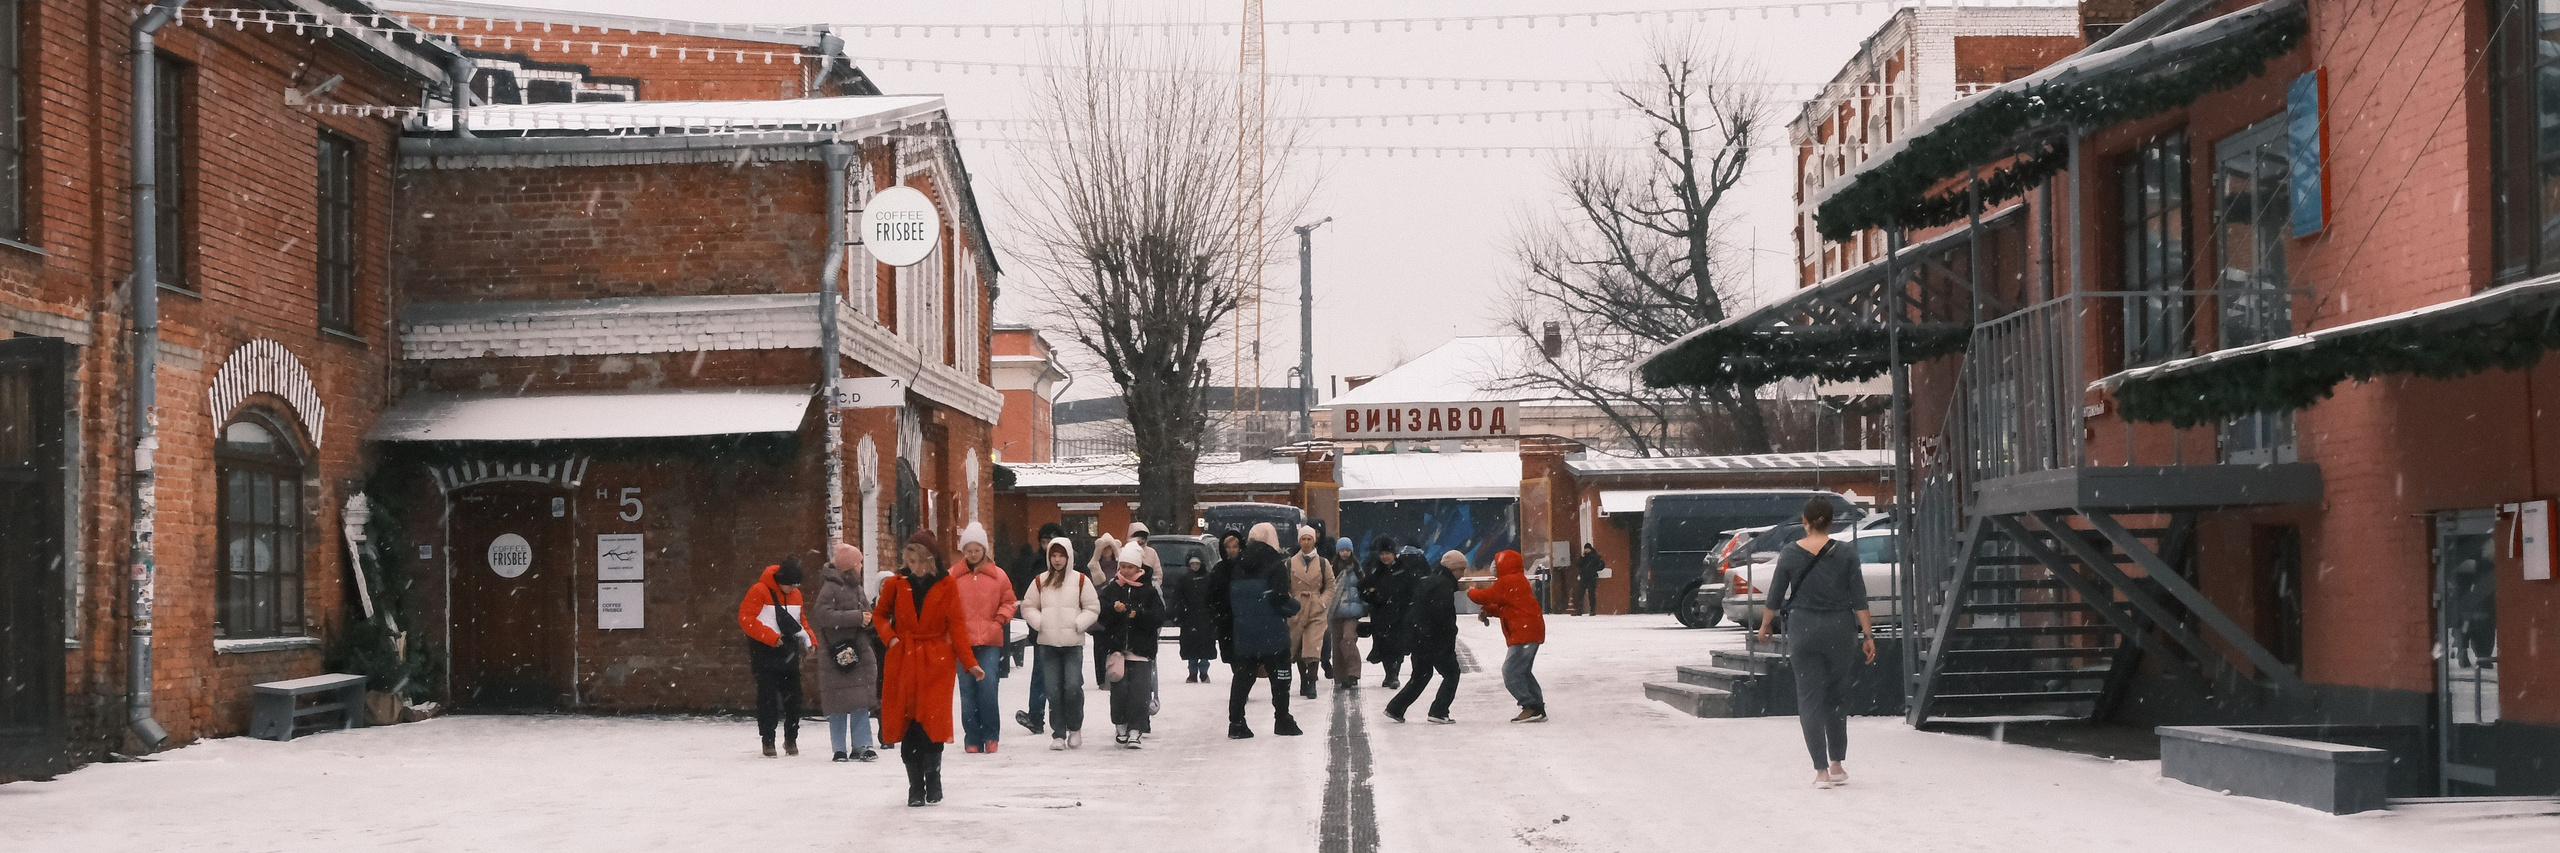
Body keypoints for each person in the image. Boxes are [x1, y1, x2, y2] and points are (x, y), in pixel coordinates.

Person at [1756, 497, 1877, 790]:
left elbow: (1774, 595)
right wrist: (1868, 635)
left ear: (1806, 522)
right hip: (1839, 629)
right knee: (1836, 698)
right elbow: (1859, 598)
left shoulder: (1789, 553)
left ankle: (1821, 771)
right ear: (1831, 521)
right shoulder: (1846, 553)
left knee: (1809, 700)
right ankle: (1837, 764)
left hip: (1803, 629)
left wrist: (1764, 624)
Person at [875, 531, 981, 806]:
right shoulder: (895, 584)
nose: (917, 568)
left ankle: (933, 779)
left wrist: (970, 663)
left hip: (936, 662)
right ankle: (915, 787)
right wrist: (891, 638)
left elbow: (956, 626)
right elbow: (879, 615)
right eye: (912, 561)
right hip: (904, 659)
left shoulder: (946, 585)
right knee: (908, 722)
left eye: (922, 562)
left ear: (933, 560)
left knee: (931, 723)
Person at [1211, 523, 1302, 738]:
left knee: (1243, 678)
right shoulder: (1275, 564)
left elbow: (1224, 598)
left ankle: (1236, 722)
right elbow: (1279, 598)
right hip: (1273, 633)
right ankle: (1282, 719)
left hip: (1244, 632)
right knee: (1280, 677)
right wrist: (1294, 607)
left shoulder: (1237, 565)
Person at [1016, 537, 1099, 750]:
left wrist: (1079, 623)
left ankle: (1075, 727)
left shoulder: (1081, 580)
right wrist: (1039, 622)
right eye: (1053, 555)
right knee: (1053, 690)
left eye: (1061, 555)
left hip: (1072, 645)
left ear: (1069, 556)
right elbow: (1028, 606)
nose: (1057, 559)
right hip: (1048, 645)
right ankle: (1058, 733)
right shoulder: (1040, 581)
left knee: (1072, 687)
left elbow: (1092, 607)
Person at [808, 543, 882, 761]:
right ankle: (839, 748)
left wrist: (867, 620)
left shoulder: (857, 588)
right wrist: (857, 617)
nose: (861, 566)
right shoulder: (830, 588)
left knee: (860, 701)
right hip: (837, 653)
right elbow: (823, 615)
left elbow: (866, 613)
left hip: (857, 652)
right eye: (859, 563)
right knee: (838, 703)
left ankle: (862, 744)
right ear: (850, 567)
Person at [948, 522, 1017, 754]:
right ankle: (972, 737)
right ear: (963, 551)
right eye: (968, 550)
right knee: (967, 691)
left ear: (984, 550)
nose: (973, 554)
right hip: (962, 641)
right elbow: (944, 606)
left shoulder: (998, 576)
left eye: (977, 550)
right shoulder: (952, 577)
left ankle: (991, 734)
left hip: (990, 640)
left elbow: (1009, 601)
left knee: (988, 687)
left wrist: (999, 621)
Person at [738, 557, 816, 757]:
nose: (792, 589)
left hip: (788, 650)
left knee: (794, 698)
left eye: (795, 585)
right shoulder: (759, 591)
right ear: (781, 580)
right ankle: (768, 740)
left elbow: (800, 621)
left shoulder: (796, 594)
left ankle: (791, 739)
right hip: (764, 652)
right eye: (789, 585)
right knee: (767, 699)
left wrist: (810, 640)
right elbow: (746, 619)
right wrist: (771, 638)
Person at [1097, 544, 1166, 747]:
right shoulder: (1112, 589)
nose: (1125, 571)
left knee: (1139, 694)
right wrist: (1113, 610)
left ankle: (1136, 729)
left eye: (1130, 567)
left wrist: (1139, 614)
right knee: (1118, 692)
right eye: (1123, 566)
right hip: (1117, 651)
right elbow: (1101, 615)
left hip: (1141, 651)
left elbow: (1159, 617)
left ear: (1139, 568)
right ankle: (1120, 724)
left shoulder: (1149, 591)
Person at [1385, 550, 1464, 724]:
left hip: (1419, 638)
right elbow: (1442, 616)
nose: (1463, 574)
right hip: (1435, 640)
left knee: (1421, 675)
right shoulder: (1444, 585)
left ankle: (1395, 708)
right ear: (1454, 569)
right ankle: (1439, 711)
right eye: (1461, 569)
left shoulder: (1429, 580)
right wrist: (1451, 633)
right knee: (1452, 673)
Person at [1468, 550, 1547, 723]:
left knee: (1510, 672)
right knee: (1523, 672)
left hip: (1524, 634)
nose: (1493, 568)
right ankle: (1537, 706)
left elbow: (1484, 596)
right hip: (1530, 631)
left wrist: (1471, 591)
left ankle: (1530, 706)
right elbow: (1507, 607)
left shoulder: (1508, 581)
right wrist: (1488, 610)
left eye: (1496, 564)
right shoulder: (1517, 580)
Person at [1012, 523, 1066, 737]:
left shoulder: (1072, 566)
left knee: (1065, 677)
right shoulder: (1035, 566)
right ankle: (1036, 716)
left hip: (1065, 628)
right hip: (1042, 628)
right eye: (1044, 542)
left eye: (1051, 542)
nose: (1047, 548)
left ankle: (1064, 717)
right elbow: (1029, 600)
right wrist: (1035, 623)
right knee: (1040, 674)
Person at [1361, 538, 1423, 689]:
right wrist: (1371, 595)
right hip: (1380, 614)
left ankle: (1394, 674)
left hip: (1400, 614)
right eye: (1382, 553)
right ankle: (1389, 674)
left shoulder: (1403, 568)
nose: (1385, 557)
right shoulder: (1376, 570)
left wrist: (1410, 607)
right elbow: (1363, 589)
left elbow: (1413, 589)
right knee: (1383, 646)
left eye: (1388, 553)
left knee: (1398, 646)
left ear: (1394, 553)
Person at [1284, 527, 1336, 699]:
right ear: (1299, 541)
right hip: (1297, 609)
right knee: (1298, 647)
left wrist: (1322, 602)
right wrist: (1291, 601)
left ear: (1314, 541)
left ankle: (1312, 681)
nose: (1306, 542)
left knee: (1313, 646)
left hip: (1316, 609)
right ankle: (1304, 679)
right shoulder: (1290, 563)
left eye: (1309, 539)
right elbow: (1284, 586)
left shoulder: (1323, 563)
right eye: (1303, 539)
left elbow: (1330, 585)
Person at [1171, 553, 1220, 683]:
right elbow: (1177, 598)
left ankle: (1204, 672)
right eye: (1192, 564)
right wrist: (1177, 614)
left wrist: (1215, 614)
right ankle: (1192, 672)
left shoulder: (1209, 578)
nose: (1195, 566)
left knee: (1205, 646)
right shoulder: (1183, 579)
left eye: (1197, 564)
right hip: (1189, 618)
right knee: (1191, 647)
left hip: (1205, 617)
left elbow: (1215, 598)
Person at [1325, 537, 1367, 690]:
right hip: (1336, 610)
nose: (1345, 553)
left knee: (1348, 639)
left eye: (1347, 550)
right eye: (1342, 550)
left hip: (1352, 611)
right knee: (1336, 644)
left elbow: (1364, 587)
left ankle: (1353, 674)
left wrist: (1364, 605)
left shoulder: (1357, 567)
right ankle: (1341, 677)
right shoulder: (1331, 568)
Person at [1086, 533, 1122, 688]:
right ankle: (1101, 679)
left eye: (1109, 548)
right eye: (1104, 548)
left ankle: (1114, 675)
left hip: (1115, 610)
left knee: (1115, 645)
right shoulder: (1094, 567)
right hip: (1099, 610)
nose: (1107, 551)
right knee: (1099, 647)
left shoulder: (1120, 567)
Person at [1575, 544, 1606, 616]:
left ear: (1590, 549)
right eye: (1585, 548)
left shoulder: (1594, 556)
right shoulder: (1584, 557)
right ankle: (1579, 610)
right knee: (1580, 594)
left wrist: (1594, 569)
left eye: (1587, 548)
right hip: (1584, 577)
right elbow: (1578, 564)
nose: (1586, 550)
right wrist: (1582, 557)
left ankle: (1592, 610)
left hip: (1591, 578)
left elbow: (1602, 564)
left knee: (1591, 594)